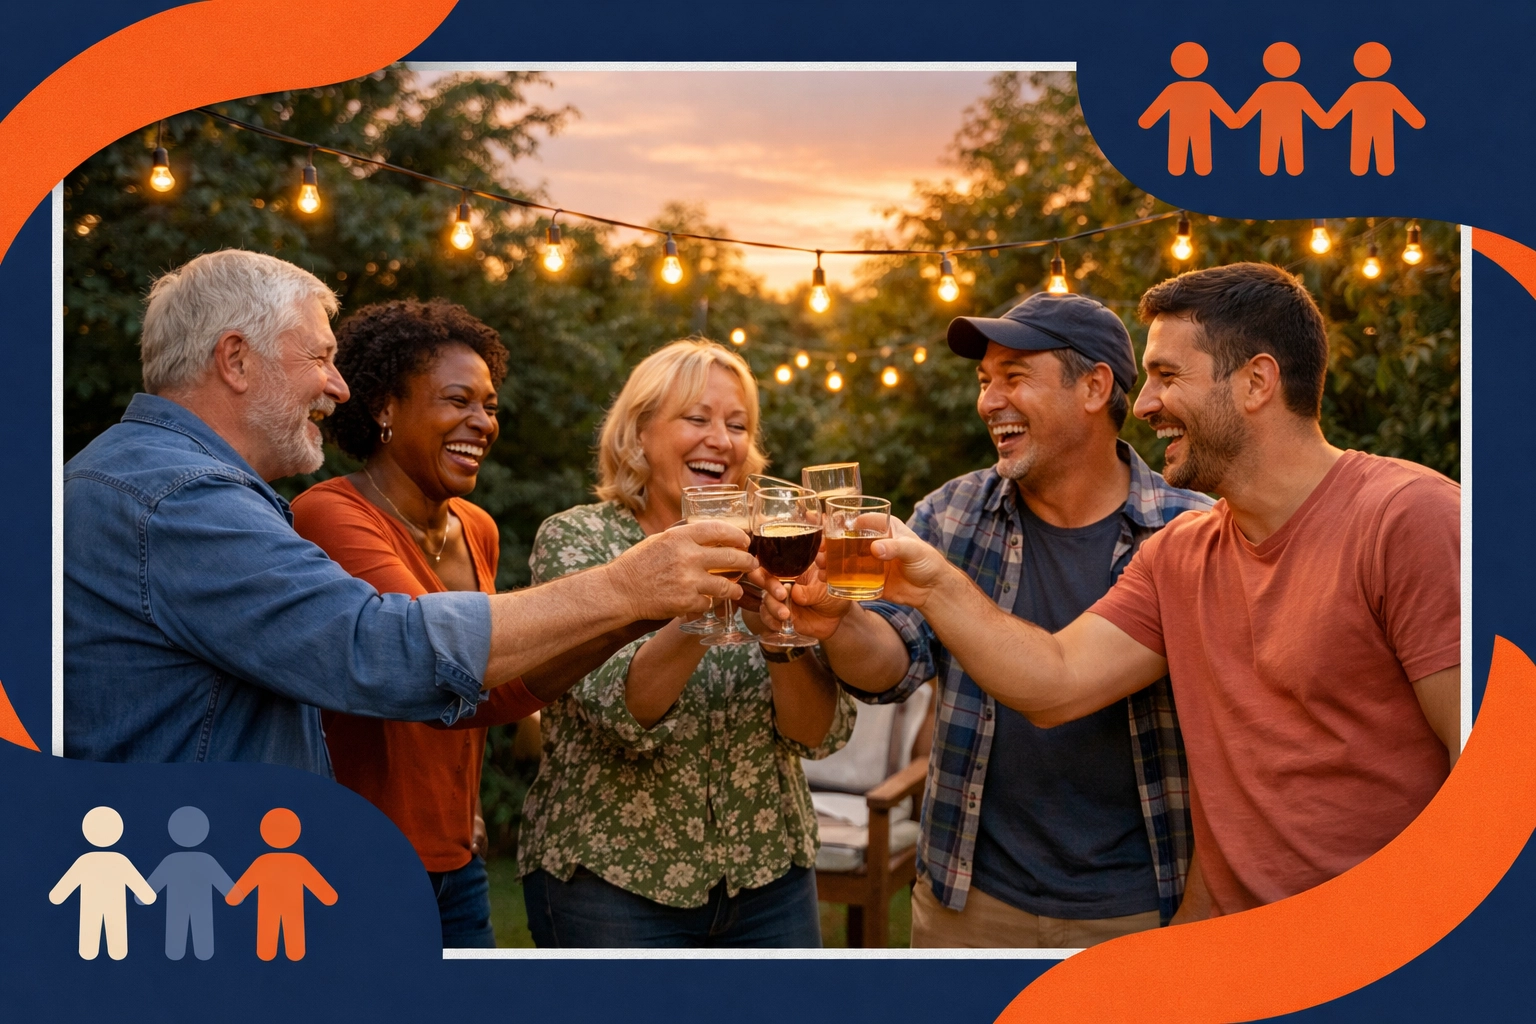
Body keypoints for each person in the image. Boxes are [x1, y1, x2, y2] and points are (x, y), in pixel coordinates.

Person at [819, 263, 1460, 920]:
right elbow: (1057, 680)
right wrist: (930, 584)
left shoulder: (1409, 519)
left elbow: (1499, 775)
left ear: (1257, 383)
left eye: (1168, 376)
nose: (1145, 402)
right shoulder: (1183, 553)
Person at [64, 250, 754, 774]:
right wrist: (623, 585)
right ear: (236, 361)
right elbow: (373, 647)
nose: (339, 386)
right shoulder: (178, 501)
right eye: (322, 356)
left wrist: (639, 602)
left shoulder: (151, 481)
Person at [788, 292, 1212, 948]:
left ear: (1096, 387)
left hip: (1135, 908)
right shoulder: (953, 513)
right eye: (985, 381)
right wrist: (836, 621)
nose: (989, 402)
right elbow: (889, 668)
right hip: (968, 900)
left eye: (1015, 378)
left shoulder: (1190, 530)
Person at [518, 339, 856, 948]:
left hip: (769, 876)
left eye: (737, 425)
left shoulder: (775, 550)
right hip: (613, 881)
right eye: (696, 419)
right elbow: (622, 712)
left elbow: (818, 734)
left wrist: (778, 642)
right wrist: (705, 603)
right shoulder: (577, 540)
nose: (721, 440)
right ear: (638, 433)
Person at [290, 299, 524, 947]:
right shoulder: (329, 516)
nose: (481, 422)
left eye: (490, 405)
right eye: (458, 400)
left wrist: (464, 809)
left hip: (458, 860)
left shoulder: (478, 528)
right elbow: (430, 664)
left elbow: (486, 682)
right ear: (386, 408)